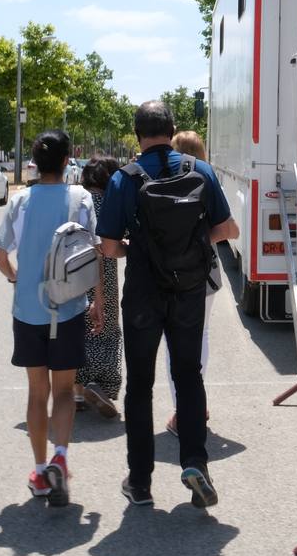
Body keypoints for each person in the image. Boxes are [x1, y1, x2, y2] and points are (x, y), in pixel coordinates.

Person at [99, 102, 238, 508]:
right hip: (190, 290)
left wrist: (134, 248)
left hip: (143, 294)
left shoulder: (125, 179)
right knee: (188, 375)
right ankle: (196, 463)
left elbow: (108, 246)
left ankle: (140, 482)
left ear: (136, 134)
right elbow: (228, 228)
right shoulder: (200, 170)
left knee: (140, 387)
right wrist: (194, 244)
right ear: (173, 128)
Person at [0, 129, 99, 506]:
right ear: (69, 160)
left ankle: (39, 471)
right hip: (68, 307)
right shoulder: (80, 197)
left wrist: (17, 279)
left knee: (37, 393)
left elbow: (0, 256)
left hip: (28, 310)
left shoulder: (19, 201)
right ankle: (61, 456)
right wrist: (97, 302)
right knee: (64, 392)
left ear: (35, 163)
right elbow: (92, 252)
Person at [167, 130, 218, 436]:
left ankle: (184, 412)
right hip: (207, 270)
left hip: (175, 271)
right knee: (201, 337)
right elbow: (228, 228)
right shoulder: (209, 181)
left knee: (174, 343)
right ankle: (197, 403)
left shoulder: (167, 182)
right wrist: (199, 240)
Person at [76, 156, 122, 419]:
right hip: (104, 271)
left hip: (75, 273)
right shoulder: (107, 202)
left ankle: (77, 393)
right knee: (105, 327)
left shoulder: (77, 200)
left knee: (80, 328)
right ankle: (101, 386)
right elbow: (106, 246)